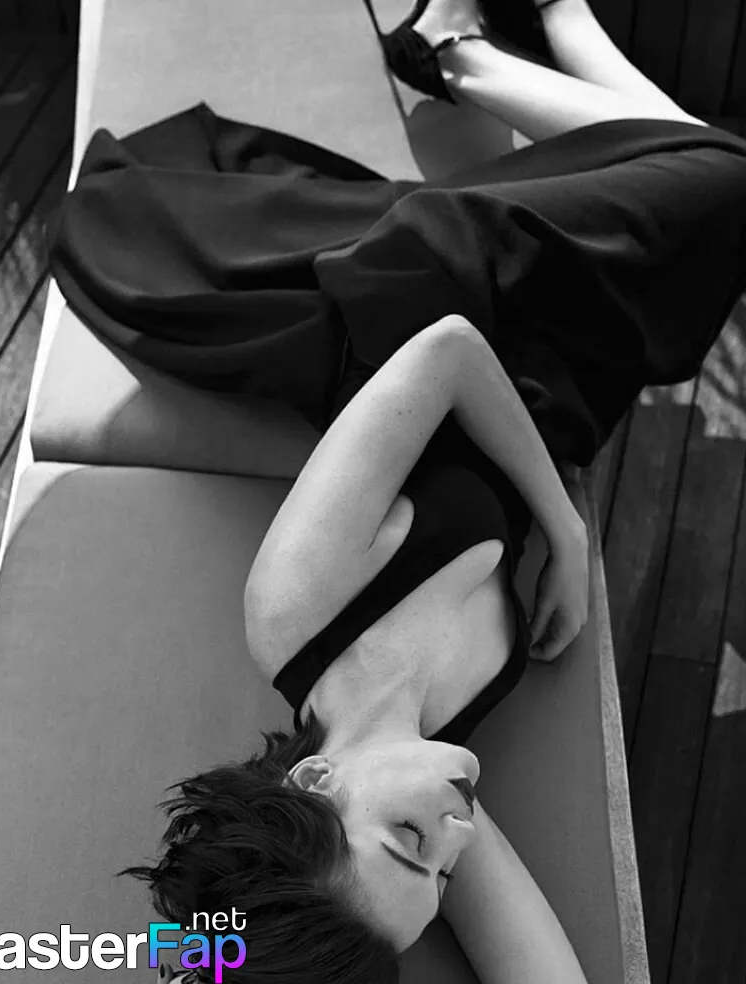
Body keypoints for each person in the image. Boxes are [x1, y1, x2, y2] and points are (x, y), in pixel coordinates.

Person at [46, 1, 746, 982]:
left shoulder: (297, 605)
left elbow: (444, 352)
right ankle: (493, 39)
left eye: (416, 845)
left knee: (727, 182)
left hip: (441, 295)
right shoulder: (424, 785)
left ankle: (462, 53)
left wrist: (562, 532)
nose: (455, 835)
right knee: (708, 188)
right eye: (444, 872)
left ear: (315, 778)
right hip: (550, 389)